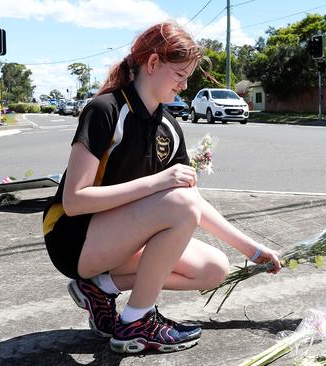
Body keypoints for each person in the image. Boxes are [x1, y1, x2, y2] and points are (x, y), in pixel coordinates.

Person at [42, 22, 282, 354]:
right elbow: (74, 201)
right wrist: (158, 182)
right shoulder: (105, 110)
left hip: (117, 238)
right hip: (73, 239)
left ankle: (100, 289)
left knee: (214, 269)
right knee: (179, 203)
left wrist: (252, 250)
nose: (184, 85)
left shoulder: (168, 126)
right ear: (152, 63)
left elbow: (191, 201)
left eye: (188, 77)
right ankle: (135, 323)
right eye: (179, 74)